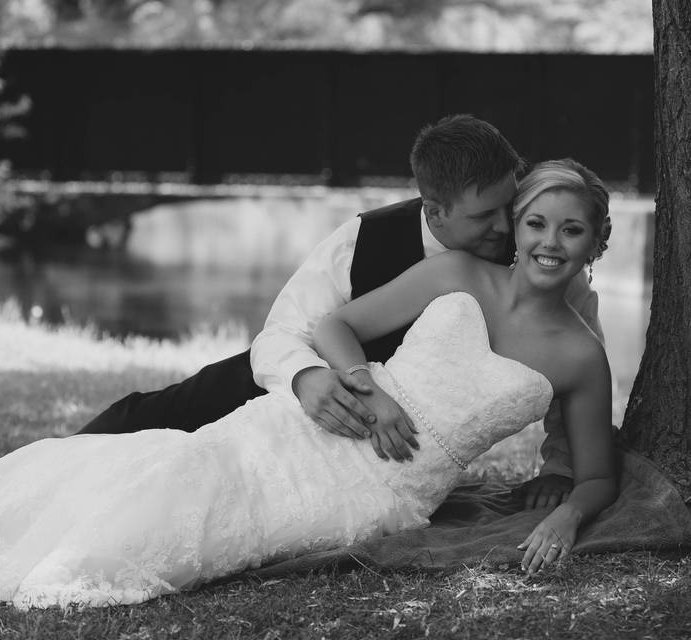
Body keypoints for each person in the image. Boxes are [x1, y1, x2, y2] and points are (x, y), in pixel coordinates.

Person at [0, 159, 617, 609]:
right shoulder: (456, 272)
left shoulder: (581, 354)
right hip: (322, 418)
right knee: (178, 460)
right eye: (536, 223)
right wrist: (367, 388)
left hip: (387, 491)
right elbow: (330, 327)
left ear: (596, 243)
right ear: (515, 228)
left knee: (208, 533)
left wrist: (566, 513)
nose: (550, 242)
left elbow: (596, 474)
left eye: (571, 230)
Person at [77, 114, 601, 505]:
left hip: (384, 466)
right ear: (435, 210)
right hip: (297, 394)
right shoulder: (363, 239)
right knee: (141, 431)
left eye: (510, 210)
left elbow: (567, 361)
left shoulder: (542, 262)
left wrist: (559, 468)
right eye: (485, 217)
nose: (506, 229)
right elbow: (284, 330)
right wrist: (308, 377)